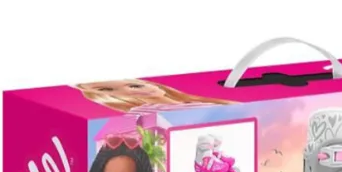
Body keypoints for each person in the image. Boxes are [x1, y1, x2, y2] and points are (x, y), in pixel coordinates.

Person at [76, 78, 231, 113]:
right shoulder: (146, 112)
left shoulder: (196, 101)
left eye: (135, 85)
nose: (131, 91)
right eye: (108, 91)